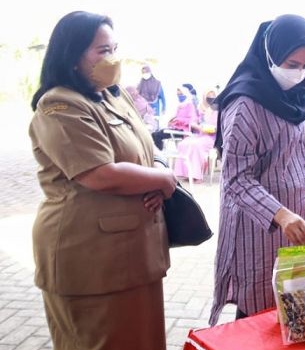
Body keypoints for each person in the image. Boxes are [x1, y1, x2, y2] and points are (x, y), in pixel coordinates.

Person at [28, 11, 177, 350]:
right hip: (90, 261)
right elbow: (98, 173)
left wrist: (154, 178)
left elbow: (146, 147)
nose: (113, 59)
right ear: (73, 56)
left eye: (115, 48)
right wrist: (163, 178)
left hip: (134, 255)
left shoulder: (114, 95)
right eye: (102, 50)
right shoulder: (60, 104)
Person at [208, 14, 305, 325]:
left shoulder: (297, 99)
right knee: (257, 313)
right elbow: (236, 179)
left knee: (289, 309)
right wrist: (282, 214)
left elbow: (286, 160)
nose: (298, 73)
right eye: (291, 63)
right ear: (269, 53)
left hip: (294, 225)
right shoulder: (246, 103)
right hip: (259, 230)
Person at [173, 88, 218, 181]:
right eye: (208, 96)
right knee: (184, 144)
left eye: (213, 96)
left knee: (196, 146)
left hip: (211, 138)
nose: (211, 98)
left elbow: (218, 127)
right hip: (200, 135)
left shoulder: (218, 110)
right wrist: (197, 126)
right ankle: (186, 174)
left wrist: (209, 129)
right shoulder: (199, 108)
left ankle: (197, 176)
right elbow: (193, 121)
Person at [150, 84, 199, 150]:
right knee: (154, 134)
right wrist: (173, 121)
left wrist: (178, 120)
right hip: (176, 128)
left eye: (180, 94)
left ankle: (159, 154)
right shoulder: (180, 106)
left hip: (183, 130)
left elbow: (192, 120)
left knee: (157, 135)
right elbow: (176, 117)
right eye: (178, 95)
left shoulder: (190, 105)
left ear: (185, 94)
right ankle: (158, 152)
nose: (179, 96)